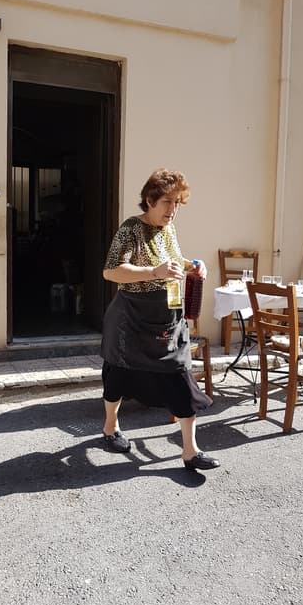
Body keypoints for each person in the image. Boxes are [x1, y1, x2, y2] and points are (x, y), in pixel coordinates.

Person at [101, 169, 220, 471]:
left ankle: (190, 451)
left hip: (167, 317)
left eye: (177, 203)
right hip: (131, 318)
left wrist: (193, 265)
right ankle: (110, 427)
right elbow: (111, 271)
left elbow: (172, 262)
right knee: (117, 376)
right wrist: (153, 272)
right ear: (150, 200)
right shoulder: (131, 228)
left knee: (180, 374)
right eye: (167, 201)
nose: (173, 209)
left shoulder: (169, 230)